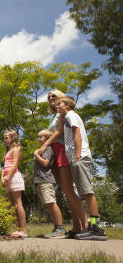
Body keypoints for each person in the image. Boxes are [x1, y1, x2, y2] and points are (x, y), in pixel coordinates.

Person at [56, 97, 107, 241]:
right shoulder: (66, 117)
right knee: (84, 191)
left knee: (87, 191)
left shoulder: (71, 115)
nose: (57, 106)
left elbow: (77, 134)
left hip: (80, 157)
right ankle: (92, 228)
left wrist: (77, 155)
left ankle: (96, 228)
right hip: (76, 158)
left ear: (67, 105)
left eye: (59, 104)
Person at [36, 90, 85, 238]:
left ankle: (86, 226)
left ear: (61, 98)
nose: (51, 98)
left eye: (54, 96)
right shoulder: (55, 115)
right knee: (66, 191)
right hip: (55, 151)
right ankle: (76, 227)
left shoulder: (62, 112)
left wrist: (44, 145)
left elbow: (58, 133)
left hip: (62, 150)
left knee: (69, 190)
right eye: (49, 97)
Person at [33, 129, 66, 238]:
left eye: (41, 137)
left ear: (47, 139)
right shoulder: (43, 149)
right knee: (49, 204)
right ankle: (57, 228)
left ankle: (60, 229)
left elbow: (46, 163)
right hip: (40, 181)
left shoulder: (48, 149)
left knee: (51, 202)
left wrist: (36, 155)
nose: (39, 139)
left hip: (46, 180)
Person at [1, 130, 27, 238]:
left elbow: (14, 165)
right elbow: (4, 167)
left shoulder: (16, 149)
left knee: (18, 204)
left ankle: (24, 231)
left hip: (14, 177)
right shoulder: (7, 151)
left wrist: (8, 177)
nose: (5, 140)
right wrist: (2, 179)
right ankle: (17, 230)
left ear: (12, 138)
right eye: (4, 138)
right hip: (7, 179)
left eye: (6, 138)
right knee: (12, 205)